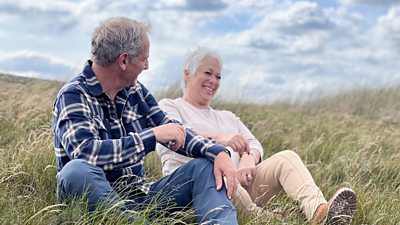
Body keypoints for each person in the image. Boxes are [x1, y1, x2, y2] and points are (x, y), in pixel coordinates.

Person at [51, 17, 240, 225]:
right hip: (93, 202)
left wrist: (218, 152)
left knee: (204, 165)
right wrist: (151, 137)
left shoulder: (135, 91)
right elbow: (86, 152)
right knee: (75, 171)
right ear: (123, 60)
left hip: (140, 198)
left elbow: (176, 130)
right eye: (144, 59)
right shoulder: (74, 95)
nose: (147, 66)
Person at [156, 47, 357, 225]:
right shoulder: (170, 106)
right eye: (207, 73)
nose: (213, 81)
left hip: (240, 186)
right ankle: (272, 219)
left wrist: (248, 158)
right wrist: (223, 139)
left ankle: (319, 212)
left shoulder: (227, 117)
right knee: (219, 174)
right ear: (188, 74)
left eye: (218, 76)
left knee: (287, 158)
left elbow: (253, 143)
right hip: (199, 191)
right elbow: (175, 133)